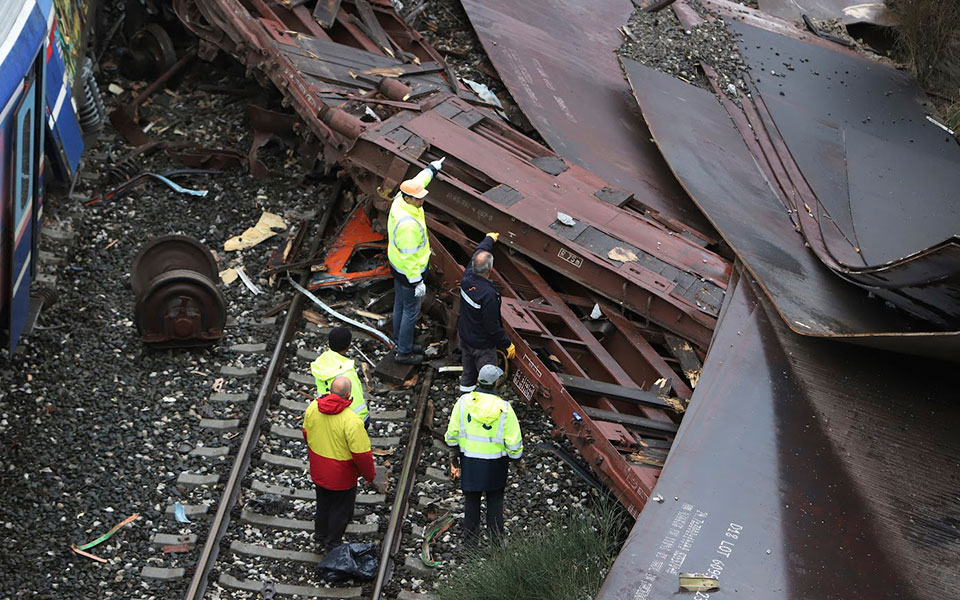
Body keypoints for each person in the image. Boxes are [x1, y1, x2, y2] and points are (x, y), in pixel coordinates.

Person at [445, 364, 523, 545]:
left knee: (471, 501)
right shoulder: (505, 408)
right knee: (495, 501)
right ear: (496, 383)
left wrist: (453, 453)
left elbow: (452, 433)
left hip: (470, 462)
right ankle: (496, 543)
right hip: (496, 464)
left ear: (478, 380)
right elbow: (514, 441)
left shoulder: (463, 402)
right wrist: (517, 459)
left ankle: (470, 544)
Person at [302, 376, 376, 553]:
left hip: (319, 468)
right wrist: (369, 475)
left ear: (330, 391)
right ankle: (332, 544)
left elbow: (306, 433)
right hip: (342, 475)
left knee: (323, 504)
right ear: (348, 395)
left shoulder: (313, 407)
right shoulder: (351, 421)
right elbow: (361, 455)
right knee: (340, 509)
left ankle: (320, 537)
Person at [387, 158, 445, 365]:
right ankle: (404, 352)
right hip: (409, 273)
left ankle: (399, 342)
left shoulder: (401, 200)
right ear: (409, 198)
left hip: (397, 267)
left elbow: (419, 180)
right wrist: (417, 282)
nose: (422, 201)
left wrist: (432, 169)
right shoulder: (408, 225)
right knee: (410, 311)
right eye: (418, 199)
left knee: (400, 305)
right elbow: (410, 257)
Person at [457, 232, 515, 393]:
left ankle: (464, 399)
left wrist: (489, 239)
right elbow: (492, 326)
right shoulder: (488, 295)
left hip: (466, 338)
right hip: (482, 346)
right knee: (488, 380)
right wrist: (507, 344)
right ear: (490, 269)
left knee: (468, 374)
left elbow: (478, 252)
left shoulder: (467, 278)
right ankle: (484, 402)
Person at [310, 327, 369, 427]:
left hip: (326, 414)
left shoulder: (321, 363)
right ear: (348, 346)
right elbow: (356, 402)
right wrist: (364, 419)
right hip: (347, 421)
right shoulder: (347, 372)